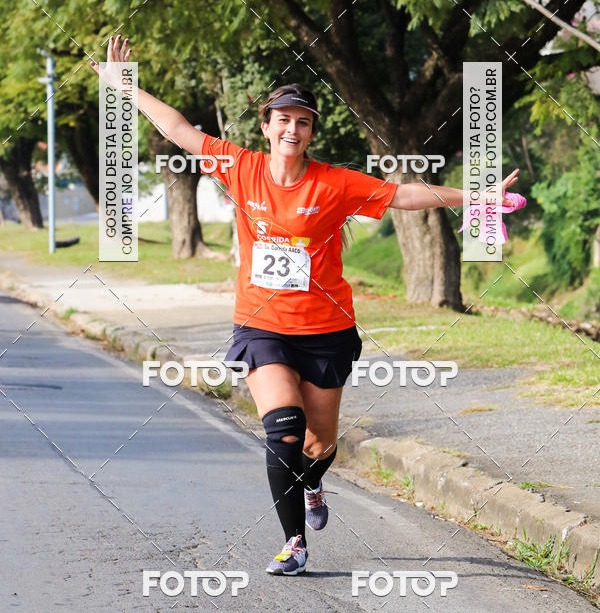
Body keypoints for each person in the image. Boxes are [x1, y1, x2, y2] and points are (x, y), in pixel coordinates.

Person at [91, 35, 520, 576]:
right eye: (282, 120)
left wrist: (475, 196)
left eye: (302, 122)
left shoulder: (335, 183)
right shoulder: (240, 167)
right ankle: (293, 541)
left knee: (319, 442)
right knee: (284, 427)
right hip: (262, 324)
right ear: (266, 127)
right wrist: (125, 86)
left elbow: (403, 195)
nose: (291, 129)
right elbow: (179, 130)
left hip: (326, 330)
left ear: (310, 132)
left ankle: (313, 484)